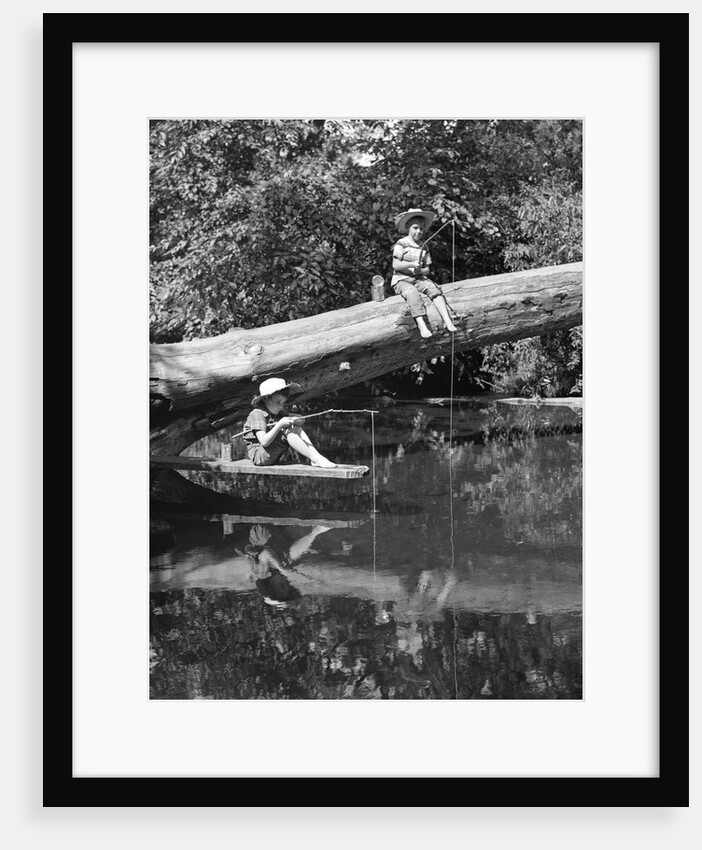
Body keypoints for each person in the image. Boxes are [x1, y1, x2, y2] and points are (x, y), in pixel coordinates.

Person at [391, 207, 458, 339]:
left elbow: (427, 270)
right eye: (415, 228)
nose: (419, 231)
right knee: (412, 292)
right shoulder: (402, 243)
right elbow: (395, 264)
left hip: (418, 279)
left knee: (434, 289)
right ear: (408, 226)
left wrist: (419, 270)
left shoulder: (424, 247)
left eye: (421, 228)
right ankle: (421, 324)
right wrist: (410, 265)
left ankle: (447, 320)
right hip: (401, 280)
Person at [242, 377, 337, 468]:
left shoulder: (278, 412)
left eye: (283, 403)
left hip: (272, 455)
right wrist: (279, 425)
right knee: (286, 430)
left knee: (295, 427)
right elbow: (264, 441)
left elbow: (302, 420)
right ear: (265, 399)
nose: (281, 406)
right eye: (278, 402)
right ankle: (314, 458)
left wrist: (296, 419)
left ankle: (317, 456)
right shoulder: (257, 414)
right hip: (259, 457)